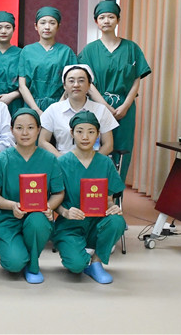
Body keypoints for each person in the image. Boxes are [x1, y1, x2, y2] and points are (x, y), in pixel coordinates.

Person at [0, 108, 65, 284]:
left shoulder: (49, 159)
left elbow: (58, 192)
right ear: (11, 130)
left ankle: (33, 263)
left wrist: (48, 207)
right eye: (19, 128)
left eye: (30, 128)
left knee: (37, 220)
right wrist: (12, 205)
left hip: (38, 217)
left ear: (39, 130)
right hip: (9, 219)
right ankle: (17, 253)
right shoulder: (2, 159)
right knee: (14, 264)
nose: (25, 133)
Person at [79, 0, 151, 181]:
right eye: (102, 17)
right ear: (96, 21)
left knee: (122, 149)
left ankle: (117, 194)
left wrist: (125, 106)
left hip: (124, 109)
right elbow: (88, 84)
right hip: (97, 107)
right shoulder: (89, 50)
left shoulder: (131, 48)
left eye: (111, 17)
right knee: (96, 147)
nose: (106, 21)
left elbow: (136, 80)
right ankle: (93, 192)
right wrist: (105, 107)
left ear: (118, 20)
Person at [53, 111, 126, 284]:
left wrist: (113, 207)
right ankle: (79, 256)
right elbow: (53, 201)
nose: (85, 137)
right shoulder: (61, 163)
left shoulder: (105, 163)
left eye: (91, 132)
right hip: (70, 225)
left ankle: (96, 262)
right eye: (80, 131)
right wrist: (65, 212)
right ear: (72, 133)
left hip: (97, 223)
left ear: (98, 134)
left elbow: (108, 199)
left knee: (117, 221)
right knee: (76, 265)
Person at [39, 65, 118, 157]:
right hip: (62, 160)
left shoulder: (101, 110)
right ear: (64, 85)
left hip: (93, 160)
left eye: (81, 80)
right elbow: (43, 141)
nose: (76, 85)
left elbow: (108, 145)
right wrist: (62, 160)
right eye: (71, 81)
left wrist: (92, 162)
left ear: (89, 85)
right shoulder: (53, 109)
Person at [18, 7, 78, 115]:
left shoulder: (66, 52)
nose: (47, 27)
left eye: (52, 23)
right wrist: (36, 110)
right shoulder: (27, 51)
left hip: (60, 106)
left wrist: (57, 108)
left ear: (58, 26)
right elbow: (22, 86)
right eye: (43, 23)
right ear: (36, 26)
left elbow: (72, 83)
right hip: (32, 106)